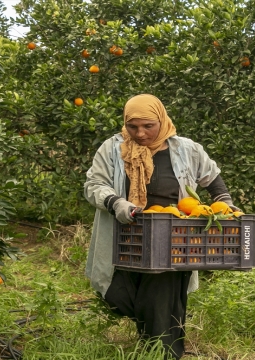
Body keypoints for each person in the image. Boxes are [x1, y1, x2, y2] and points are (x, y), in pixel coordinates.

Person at [84, 94, 239, 359]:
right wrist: (115, 202)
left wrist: (225, 204)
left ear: (162, 120)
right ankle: (155, 342)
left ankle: (162, 352)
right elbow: (94, 184)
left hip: (173, 237)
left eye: (148, 126)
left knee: (162, 298)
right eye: (133, 127)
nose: (140, 133)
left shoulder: (186, 149)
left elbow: (213, 180)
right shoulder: (113, 148)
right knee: (118, 295)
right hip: (127, 235)